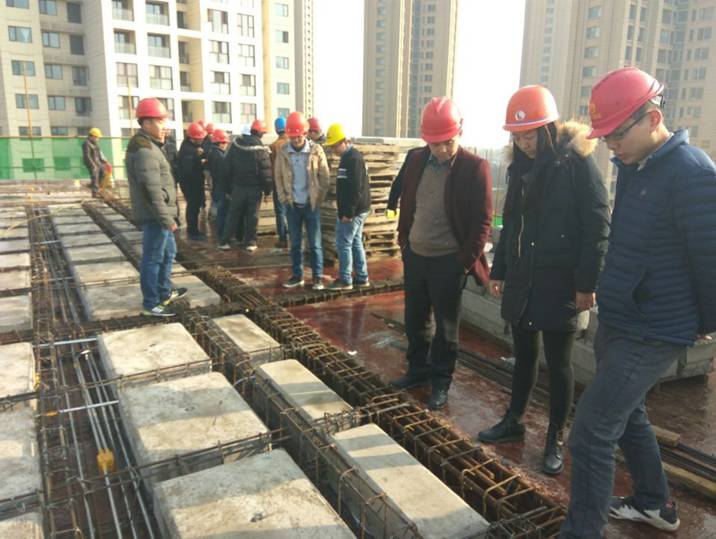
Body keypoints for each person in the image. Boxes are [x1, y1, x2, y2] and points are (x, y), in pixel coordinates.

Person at [560, 67, 716, 538]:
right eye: (605, 137)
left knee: (590, 433)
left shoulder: (692, 173)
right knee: (628, 415)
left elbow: (710, 258)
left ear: (652, 118)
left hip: (654, 328)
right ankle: (654, 503)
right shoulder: (634, 165)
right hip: (621, 317)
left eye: (617, 134)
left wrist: (705, 322)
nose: (611, 146)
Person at [476, 86, 610, 476]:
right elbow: (511, 223)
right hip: (524, 278)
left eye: (530, 135)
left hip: (560, 281)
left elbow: (598, 227)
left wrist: (586, 283)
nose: (524, 143)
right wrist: (500, 270)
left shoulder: (577, 165)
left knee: (559, 362)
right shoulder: (519, 170)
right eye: (518, 137)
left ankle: (555, 435)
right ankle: (514, 420)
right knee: (524, 355)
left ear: (548, 129)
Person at [390, 97, 493, 410]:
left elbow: (483, 221)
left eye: (448, 142)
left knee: (446, 330)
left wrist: (463, 262)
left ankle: (440, 382)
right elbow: (407, 200)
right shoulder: (416, 159)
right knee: (415, 320)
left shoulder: (475, 168)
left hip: (448, 261)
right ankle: (417, 371)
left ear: (459, 133)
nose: (442, 150)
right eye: (435, 144)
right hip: (416, 255)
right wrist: (404, 243)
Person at [125, 98, 187, 317]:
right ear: (146, 123)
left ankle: (164, 291)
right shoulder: (144, 151)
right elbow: (151, 191)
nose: (164, 126)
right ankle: (151, 303)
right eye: (160, 121)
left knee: (169, 253)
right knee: (153, 258)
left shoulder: (151, 146)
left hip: (161, 214)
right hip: (155, 216)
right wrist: (166, 219)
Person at [274, 111, 330, 289]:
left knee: (315, 244)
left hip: (311, 205)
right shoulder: (283, 152)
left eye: (298, 136)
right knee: (295, 244)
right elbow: (278, 176)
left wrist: (318, 199)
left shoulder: (316, 150)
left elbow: (324, 177)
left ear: (305, 133)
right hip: (292, 206)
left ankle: (317, 277)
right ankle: (297, 276)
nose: (296, 140)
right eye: (292, 137)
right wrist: (283, 198)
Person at [324, 123, 372, 290]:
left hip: (354, 211)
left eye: (334, 146)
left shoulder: (353, 159)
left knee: (343, 243)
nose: (333, 150)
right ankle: (362, 277)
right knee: (356, 242)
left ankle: (345, 280)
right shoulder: (347, 158)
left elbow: (356, 188)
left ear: (343, 142)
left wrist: (349, 213)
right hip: (355, 209)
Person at [218, 120, 272, 252]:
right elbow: (266, 173)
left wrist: (228, 188)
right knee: (252, 216)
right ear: (260, 133)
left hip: (238, 187)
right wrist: (267, 191)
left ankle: (225, 241)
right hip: (254, 189)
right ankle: (250, 243)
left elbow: (226, 168)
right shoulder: (261, 150)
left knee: (233, 215)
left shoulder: (235, 146)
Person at [176, 122, 208, 241]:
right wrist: (200, 162)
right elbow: (189, 170)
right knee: (193, 207)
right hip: (191, 184)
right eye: (199, 139)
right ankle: (193, 232)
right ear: (192, 138)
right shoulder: (189, 151)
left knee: (194, 207)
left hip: (191, 182)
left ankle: (194, 230)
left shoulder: (189, 147)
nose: (201, 141)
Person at [386, 146, 423, 220]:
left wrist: (391, 206)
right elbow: (400, 181)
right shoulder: (414, 155)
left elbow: (399, 182)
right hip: (412, 207)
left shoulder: (414, 154)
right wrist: (391, 206)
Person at [269, 117, 290, 248]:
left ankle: (282, 239)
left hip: (279, 184)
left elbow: (271, 168)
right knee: (292, 211)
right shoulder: (292, 144)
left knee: (280, 212)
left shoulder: (273, 146)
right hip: (292, 184)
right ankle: (294, 237)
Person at [207, 129, 230, 238]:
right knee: (222, 213)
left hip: (217, 187)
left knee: (220, 212)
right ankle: (222, 236)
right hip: (221, 188)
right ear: (220, 143)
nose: (226, 145)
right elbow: (224, 175)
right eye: (225, 142)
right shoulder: (220, 157)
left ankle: (220, 234)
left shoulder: (213, 153)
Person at [82, 128, 107, 192]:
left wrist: (103, 160)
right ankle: (95, 192)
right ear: (93, 136)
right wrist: (93, 165)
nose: (98, 139)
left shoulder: (95, 143)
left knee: (103, 173)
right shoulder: (86, 144)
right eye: (97, 137)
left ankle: (93, 186)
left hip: (98, 162)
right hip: (91, 162)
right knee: (95, 176)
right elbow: (87, 156)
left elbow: (99, 152)